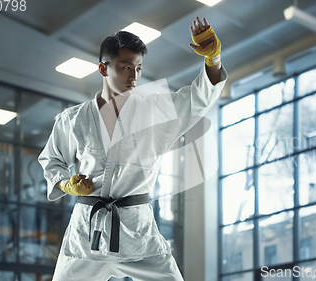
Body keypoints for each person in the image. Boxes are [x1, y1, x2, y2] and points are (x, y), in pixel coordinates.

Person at [38, 16, 227, 281]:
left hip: (137, 235)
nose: (134, 76)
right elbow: (52, 160)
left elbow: (197, 100)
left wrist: (213, 60)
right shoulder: (74, 118)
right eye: (126, 67)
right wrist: (67, 184)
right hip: (86, 237)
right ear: (103, 69)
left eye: (138, 68)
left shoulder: (154, 112)